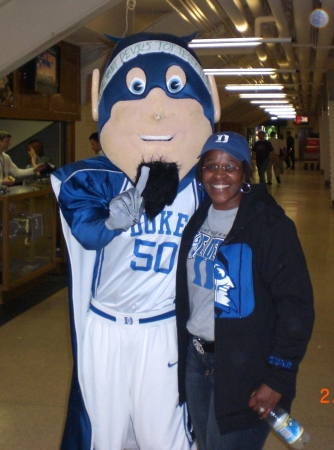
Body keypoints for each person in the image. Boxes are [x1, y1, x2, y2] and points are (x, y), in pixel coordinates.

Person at [51, 32, 220, 450]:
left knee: (165, 434)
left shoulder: (202, 185)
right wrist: (117, 215)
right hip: (106, 324)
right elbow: (86, 233)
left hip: (161, 327)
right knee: (101, 435)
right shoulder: (94, 178)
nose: (157, 113)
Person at [175, 131, 314, 450]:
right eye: (211, 166)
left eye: (230, 167)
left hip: (246, 368)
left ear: (245, 172)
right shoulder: (198, 221)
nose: (219, 175)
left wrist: (278, 377)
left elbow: (296, 307)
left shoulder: (271, 227)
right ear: (201, 173)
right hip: (198, 363)